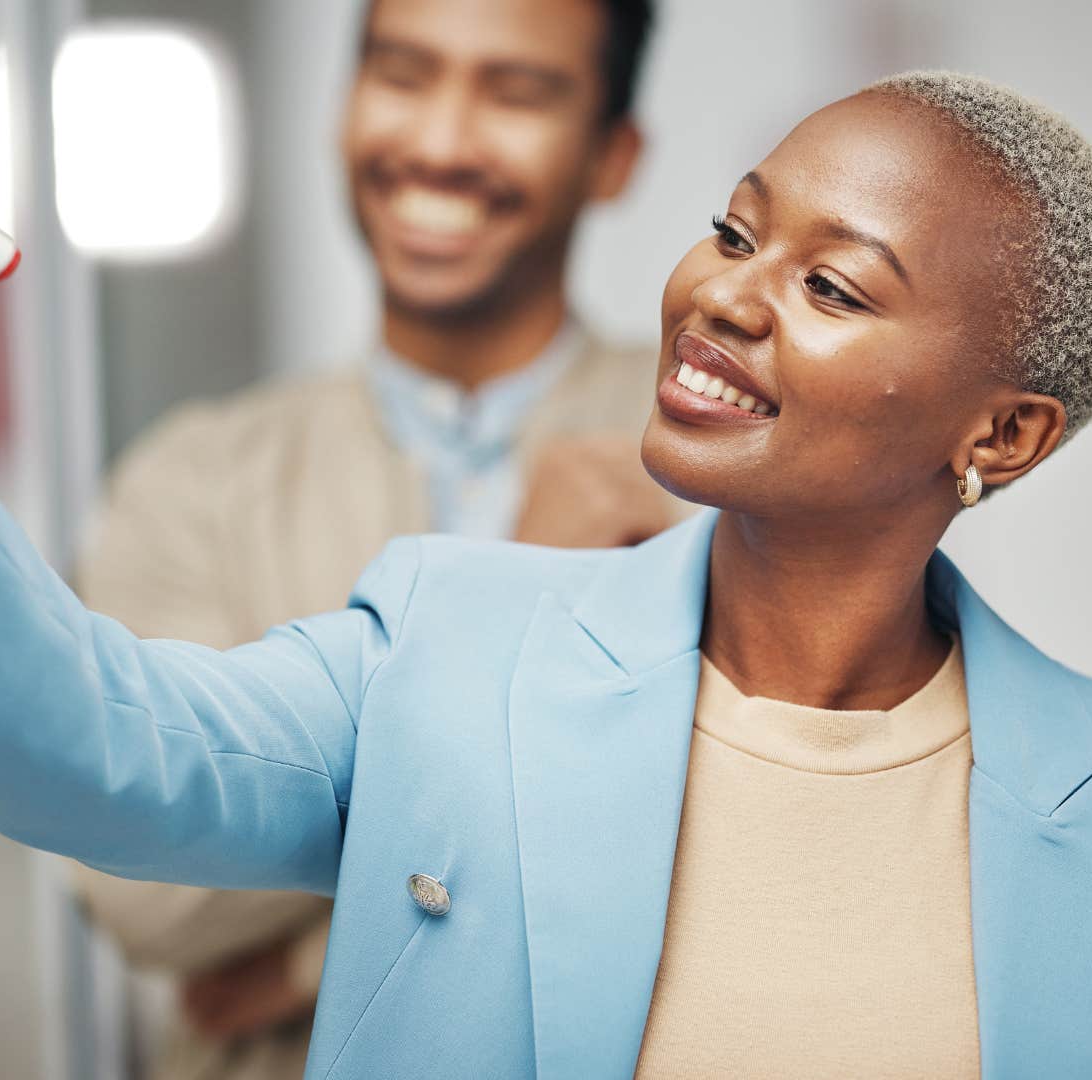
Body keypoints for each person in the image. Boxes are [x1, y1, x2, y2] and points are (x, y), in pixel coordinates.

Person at [0, 66, 1092, 1076]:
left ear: (1008, 432)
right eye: (733, 230)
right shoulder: (447, 638)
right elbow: (79, 751)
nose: (724, 295)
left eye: (830, 285)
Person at [73, 1, 673, 1071]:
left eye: (515, 92)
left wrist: (306, 961)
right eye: (402, 74)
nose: (439, 144)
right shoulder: (192, 481)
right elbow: (145, 889)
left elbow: (740, 862)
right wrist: (516, 592)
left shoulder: (714, 468)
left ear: (614, 157)